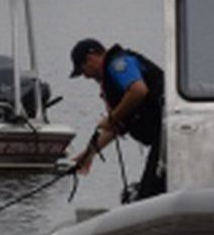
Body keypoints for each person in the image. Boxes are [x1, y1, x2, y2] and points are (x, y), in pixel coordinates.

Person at [69, 38, 165, 201]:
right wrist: (89, 153)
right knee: (147, 192)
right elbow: (116, 127)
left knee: (148, 195)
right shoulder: (115, 82)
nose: (85, 77)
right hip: (163, 138)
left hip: (171, 134)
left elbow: (138, 90)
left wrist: (112, 118)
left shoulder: (118, 64)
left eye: (83, 69)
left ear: (91, 58)